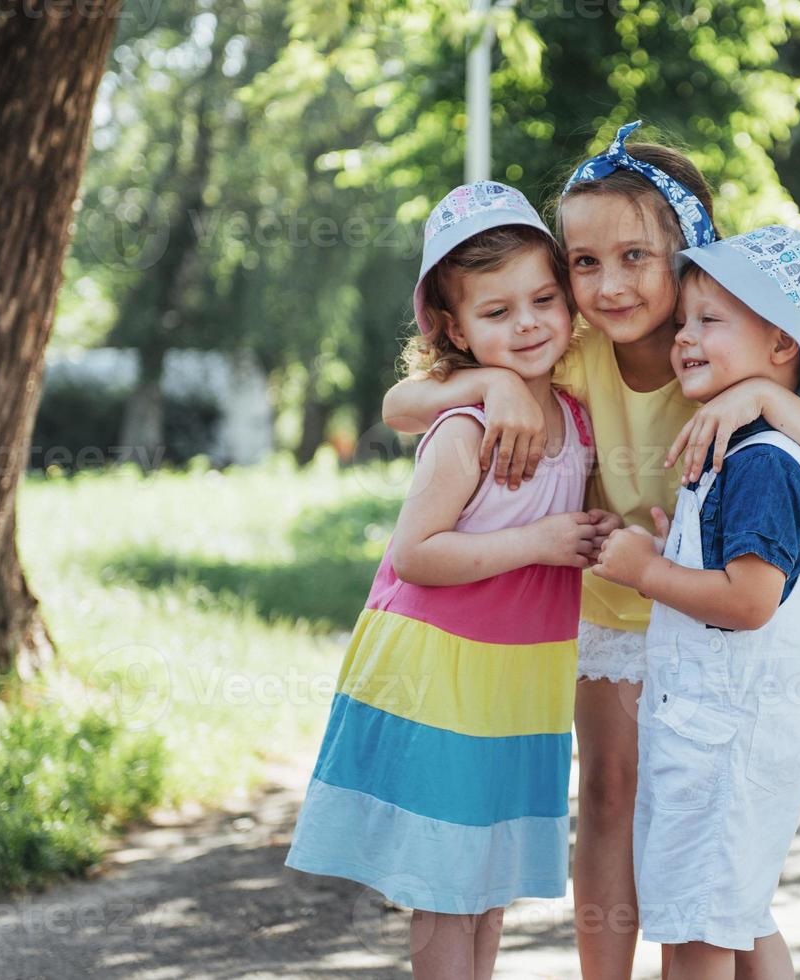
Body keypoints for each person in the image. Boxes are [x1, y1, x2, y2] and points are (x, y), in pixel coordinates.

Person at [380, 121, 800, 979]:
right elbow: (404, 404)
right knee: (613, 795)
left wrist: (769, 393)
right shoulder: (577, 352)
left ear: (688, 255)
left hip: (708, 628)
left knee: (705, 835)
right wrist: (493, 379)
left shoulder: (733, 357)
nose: (608, 286)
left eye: (633, 258)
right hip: (615, 611)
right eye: (584, 263)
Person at [284, 181, 615, 980]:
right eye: (496, 313)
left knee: (487, 878)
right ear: (454, 328)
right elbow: (415, 554)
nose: (528, 322)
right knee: (445, 886)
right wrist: (539, 539)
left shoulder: (576, 417)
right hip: (441, 673)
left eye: (543, 298)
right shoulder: (464, 428)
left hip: (516, 677)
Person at [594, 224, 800, 980]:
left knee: (698, 937)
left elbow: (748, 601)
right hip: (710, 737)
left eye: (710, 321)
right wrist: (677, 548)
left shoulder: (765, 460)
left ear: (780, 348)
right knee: (734, 918)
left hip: (724, 745)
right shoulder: (738, 450)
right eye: (684, 322)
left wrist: (646, 571)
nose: (684, 340)